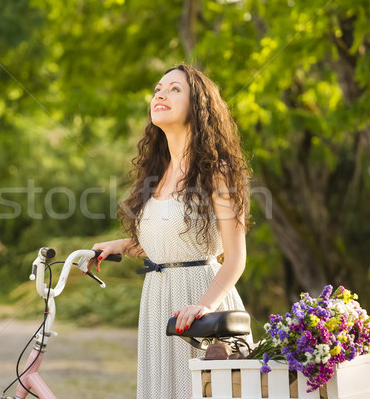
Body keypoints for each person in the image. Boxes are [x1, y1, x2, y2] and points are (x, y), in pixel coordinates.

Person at [90, 64, 251, 399]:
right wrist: (121, 245)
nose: (160, 94)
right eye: (158, 89)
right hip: (157, 298)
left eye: (175, 89)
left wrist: (204, 307)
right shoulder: (157, 172)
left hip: (200, 303)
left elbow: (235, 257)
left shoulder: (217, 171)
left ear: (198, 106)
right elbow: (171, 245)